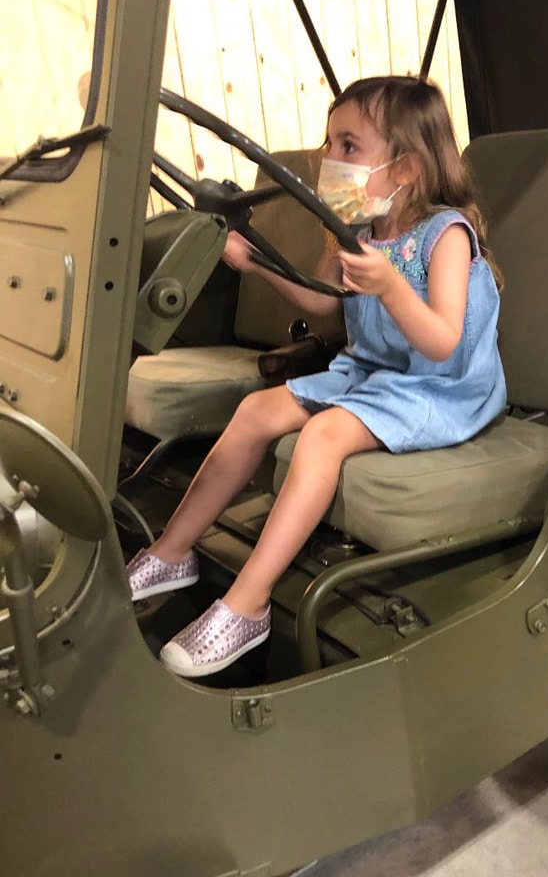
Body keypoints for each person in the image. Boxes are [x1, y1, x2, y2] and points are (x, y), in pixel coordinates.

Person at [126, 75, 507, 677]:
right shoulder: (355, 224)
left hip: (440, 387)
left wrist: (389, 284)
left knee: (323, 435)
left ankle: (248, 605)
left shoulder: (445, 236)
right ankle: (171, 552)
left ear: (405, 167)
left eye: (349, 146)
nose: (329, 158)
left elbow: (442, 342)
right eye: (330, 143)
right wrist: (255, 265)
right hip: (375, 372)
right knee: (255, 412)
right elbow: (325, 304)